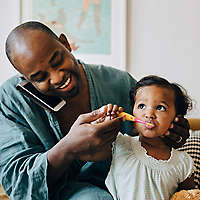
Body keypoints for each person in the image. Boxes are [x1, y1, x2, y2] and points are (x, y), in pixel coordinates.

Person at [0, 21, 190, 200]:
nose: (57, 77)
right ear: (24, 77)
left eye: (57, 61)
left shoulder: (120, 84)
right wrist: (68, 148)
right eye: (39, 77)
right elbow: (17, 184)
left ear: (65, 43)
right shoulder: (11, 101)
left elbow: (151, 135)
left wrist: (171, 133)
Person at [104, 75, 195, 200]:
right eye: (141, 106)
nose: (149, 114)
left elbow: (189, 196)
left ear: (176, 118)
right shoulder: (120, 143)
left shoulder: (183, 163)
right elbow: (91, 148)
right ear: (132, 111)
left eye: (160, 107)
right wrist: (106, 122)